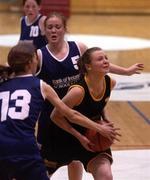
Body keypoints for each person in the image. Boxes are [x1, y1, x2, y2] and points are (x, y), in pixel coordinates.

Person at [36, 12, 144, 180]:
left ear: (65, 29)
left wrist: (126, 71)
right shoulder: (40, 55)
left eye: (58, 26)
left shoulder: (78, 48)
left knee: (77, 161)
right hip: (54, 121)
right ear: (44, 30)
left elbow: (98, 63)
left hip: (82, 118)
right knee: (42, 171)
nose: (54, 30)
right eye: (50, 27)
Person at [0, 41, 119, 179]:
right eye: (35, 59)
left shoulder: (2, 83)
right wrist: (99, 128)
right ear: (30, 63)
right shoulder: (40, 85)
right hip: (24, 144)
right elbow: (70, 114)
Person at [50, 47, 118, 180]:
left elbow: (99, 105)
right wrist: (79, 136)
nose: (105, 61)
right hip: (66, 136)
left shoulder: (110, 83)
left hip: (93, 137)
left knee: (106, 176)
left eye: (106, 58)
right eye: (100, 59)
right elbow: (55, 116)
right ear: (88, 66)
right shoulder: (77, 91)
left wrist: (106, 121)